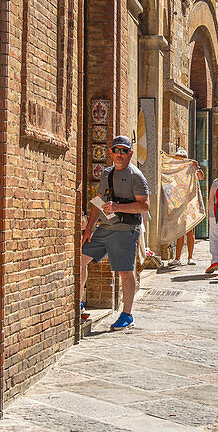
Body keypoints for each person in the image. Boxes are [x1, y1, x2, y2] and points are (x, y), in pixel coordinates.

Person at [79, 135, 150, 330]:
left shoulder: (136, 176)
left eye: (124, 151)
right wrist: (89, 228)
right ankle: (78, 305)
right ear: (110, 153)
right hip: (104, 229)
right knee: (80, 260)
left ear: (130, 154)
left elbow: (144, 205)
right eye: (116, 150)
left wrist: (118, 207)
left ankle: (127, 314)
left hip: (126, 230)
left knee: (125, 271)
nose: (120, 154)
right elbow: (99, 202)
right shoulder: (106, 174)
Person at [172, 147, 201, 266]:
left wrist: (197, 167)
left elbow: (201, 177)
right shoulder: (174, 170)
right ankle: (177, 258)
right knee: (179, 232)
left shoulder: (191, 169)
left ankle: (190, 257)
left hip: (189, 204)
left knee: (189, 231)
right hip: (178, 204)